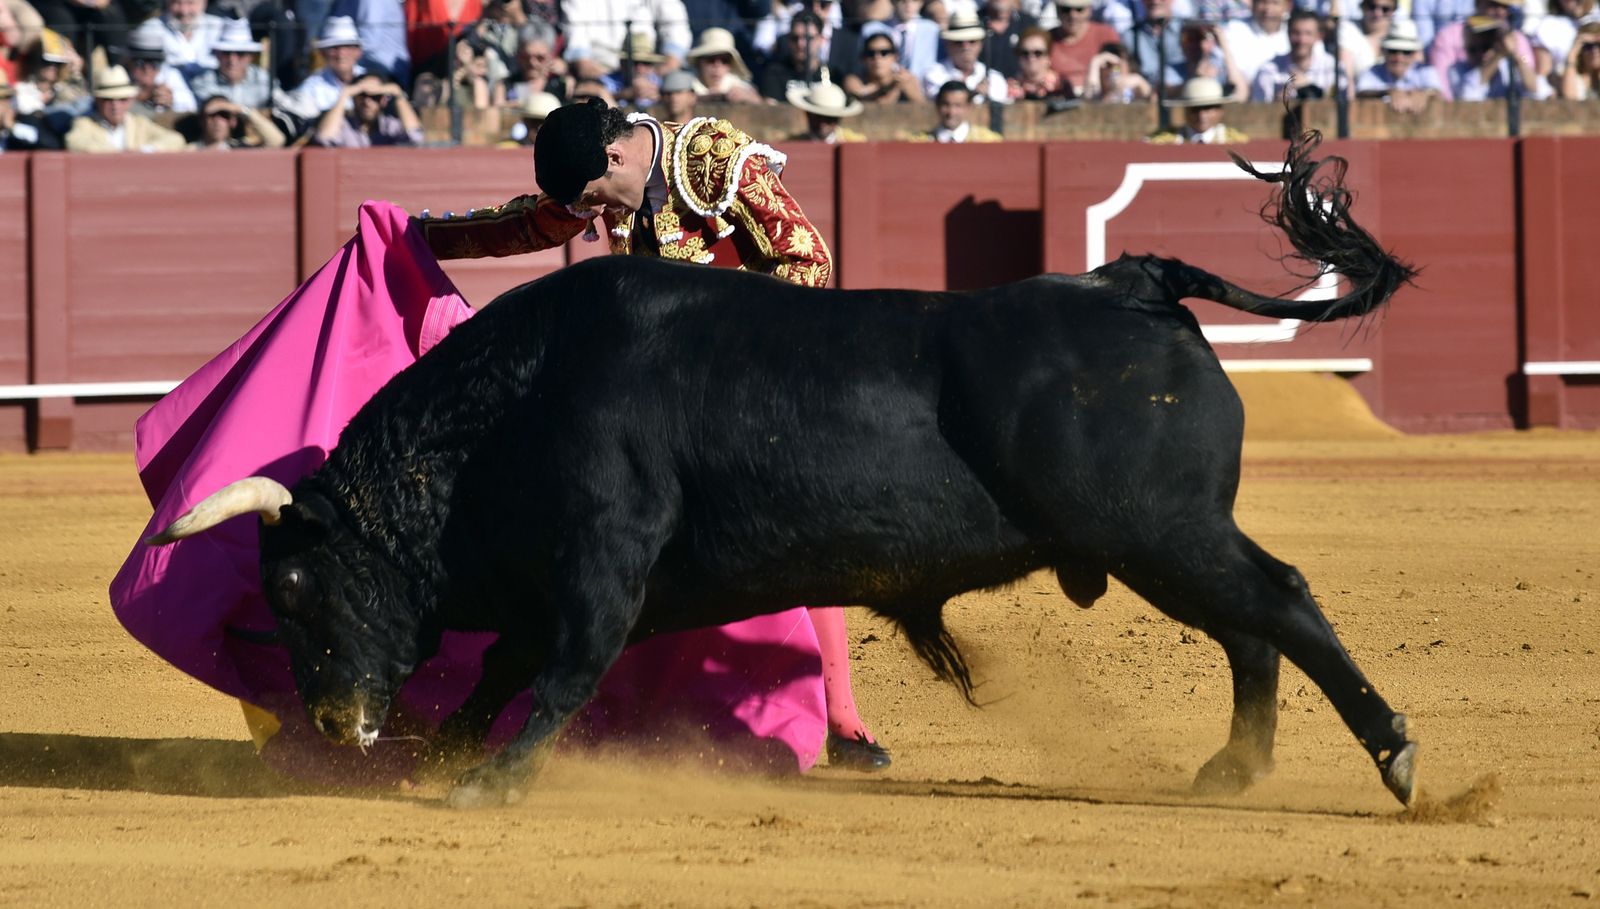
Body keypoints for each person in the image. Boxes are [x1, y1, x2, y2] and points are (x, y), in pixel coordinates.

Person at [411, 100, 890, 768]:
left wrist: (718, 344)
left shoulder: (711, 158)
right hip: (665, 403)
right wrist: (419, 238)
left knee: (799, 530)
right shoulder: (603, 177)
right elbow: (531, 224)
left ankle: (843, 719)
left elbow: (806, 260)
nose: (593, 216)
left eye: (594, 199)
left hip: (761, 386)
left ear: (614, 157)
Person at [64, 64, 186, 151]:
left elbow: (176, 139)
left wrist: (146, 150)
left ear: (130, 101)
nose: (115, 105)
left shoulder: (139, 124)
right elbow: (74, 141)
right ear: (98, 101)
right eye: (108, 100)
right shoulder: (85, 124)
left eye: (122, 100)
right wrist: (119, 155)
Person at [1427, 0, 1533, 100]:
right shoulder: (1448, 36)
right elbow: (1446, 92)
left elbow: (1535, 88)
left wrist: (1518, 58)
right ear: (1478, 3)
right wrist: (1498, 55)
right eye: (1493, 5)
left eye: (1505, 7)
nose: (1500, 12)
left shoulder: (1517, 38)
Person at [279, 15, 365, 128]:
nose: (341, 54)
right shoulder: (310, 88)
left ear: (358, 52)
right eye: (334, 48)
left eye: (347, 47)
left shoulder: (372, 80)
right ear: (323, 53)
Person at [1250, 9, 1351, 101]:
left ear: (1319, 36)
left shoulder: (1333, 69)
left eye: (1308, 34)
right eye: (1296, 33)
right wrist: (1277, 103)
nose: (1301, 40)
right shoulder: (1269, 70)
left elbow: (1342, 107)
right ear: (1288, 33)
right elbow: (1258, 109)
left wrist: (1307, 87)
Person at [1448, 12, 1550, 98]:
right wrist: (1498, 55)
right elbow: (1468, 94)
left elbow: (1539, 91)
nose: (1479, 54)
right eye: (1472, 50)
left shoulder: (1507, 67)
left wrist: (1515, 55)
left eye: (1485, 47)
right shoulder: (1457, 70)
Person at [312, 72, 423, 146]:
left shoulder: (390, 126)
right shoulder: (344, 126)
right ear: (354, 98)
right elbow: (324, 138)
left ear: (383, 101)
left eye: (375, 96)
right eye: (362, 95)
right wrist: (345, 94)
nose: (367, 102)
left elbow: (416, 136)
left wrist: (397, 93)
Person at [924, 10, 1011, 102]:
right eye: (958, 42)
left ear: (980, 45)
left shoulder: (995, 79)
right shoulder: (934, 74)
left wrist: (988, 98)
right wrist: (973, 94)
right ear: (947, 45)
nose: (966, 47)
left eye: (972, 41)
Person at [1356, 19, 1442, 109]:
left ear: (1414, 53)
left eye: (1406, 52)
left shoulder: (1426, 71)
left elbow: (1438, 94)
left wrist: (1424, 95)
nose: (1399, 58)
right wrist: (1387, 93)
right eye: (1393, 51)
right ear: (1383, 51)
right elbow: (1361, 94)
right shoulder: (1371, 72)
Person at [124, 17, 197, 115]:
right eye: (140, 62)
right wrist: (141, 96)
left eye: (155, 62)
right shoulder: (120, 74)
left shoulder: (169, 74)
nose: (147, 68)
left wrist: (172, 99)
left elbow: (190, 106)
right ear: (129, 61)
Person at [1146, 74, 1248, 142]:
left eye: (1207, 108)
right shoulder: (1164, 141)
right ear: (1185, 110)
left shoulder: (1235, 141)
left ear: (1220, 110)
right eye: (1195, 109)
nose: (1201, 115)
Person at [1165, 19, 1248, 99]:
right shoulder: (1173, 71)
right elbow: (1161, 92)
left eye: (1202, 37)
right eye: (1189, 39)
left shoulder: (1222, 68)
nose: (1196, 44)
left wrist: (1223, 43)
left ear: (1213, 41)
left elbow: (1241, 95)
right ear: (1181, 44)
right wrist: (1197, 81)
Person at [1048, 0, 1121, 90]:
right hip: (1056, 98)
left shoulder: (1106, 34)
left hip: (1098, 99)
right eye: (1066, 9)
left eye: (1079, 9)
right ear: (1057, 10)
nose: (1073, 15)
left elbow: (1119, 68)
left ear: (1089, 10)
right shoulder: (1046, 38)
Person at [844, 24, 925, 102]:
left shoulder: (908, 80)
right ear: (863, 58)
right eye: (871, 53)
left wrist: (910, 91)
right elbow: (878, 107)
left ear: (895, 57)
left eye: (884, 52)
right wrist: (895, 89)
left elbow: (924, 108)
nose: (877, 58)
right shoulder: (854, 81)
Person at [906, 78, 1005, 141]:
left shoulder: (988, 141)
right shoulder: (919, 142)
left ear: (968, 107)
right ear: (937, 105)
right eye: (946, 105)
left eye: (958, 106)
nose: (951, 112)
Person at [759, 10, 827, 100]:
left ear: (821, 40)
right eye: (795, 38)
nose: (800, 44)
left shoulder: (829, 75)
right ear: (788, 40)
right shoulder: (774, 73)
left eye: (808, 38)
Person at [1221, 0, 1290, 87]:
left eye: (1275, 3)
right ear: (1253, 4)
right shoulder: (1233, 30)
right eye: (1262, 2)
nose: (1267, 8)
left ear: (1287, 6)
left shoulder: (1298, 32)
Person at [686, 26, 762, 102]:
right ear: (699, 63)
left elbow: (767, 104)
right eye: (711, 60)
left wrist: (750, 98)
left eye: (724, 60)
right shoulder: (686, 86)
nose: (717, 66)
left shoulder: (740, 86)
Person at [786, 73, 866, 142]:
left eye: (829, 118)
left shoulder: (855, 142)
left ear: (838, 118)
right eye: (817, 116)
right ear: (808, 114)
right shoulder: (792, 144)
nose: (822, 123)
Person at [158, 0, 226, 79]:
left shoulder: (221, 29)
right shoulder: (153, 29)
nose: (184, 11)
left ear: (204, 3)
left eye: (190, 3)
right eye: (176, 3)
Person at [190, 92, 284, 148]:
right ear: (201, 121)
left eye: (224, 115)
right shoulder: (188, 151)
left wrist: (242, 109)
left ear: (233, 122)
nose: (217, 121)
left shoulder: (239, 148)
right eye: (212, 115)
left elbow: (276, 141)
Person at [1, 66, 62, 149]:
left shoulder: (28, 128)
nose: (6, 105)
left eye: (5, 99)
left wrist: (11, 126)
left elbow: (49, 144)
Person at [1082, 41, 1152, 99]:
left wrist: (1141, 83)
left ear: (1129, 66)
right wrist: (1095, 62)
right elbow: (1088, 99)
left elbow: (1154, 103)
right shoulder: (1098, 95)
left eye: (1117, 66)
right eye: (1108, 65)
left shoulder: (1137, 88)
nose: (1113, 70)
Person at [1559, 20, 1600, 98]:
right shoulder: (1571, 73)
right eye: (1588, 46)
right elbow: (1569, 98)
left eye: (1599, 45)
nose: (1594, 51)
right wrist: (1572, 55)